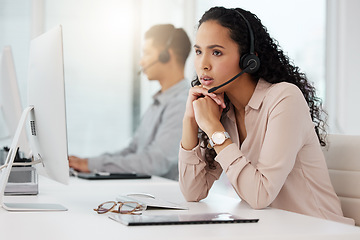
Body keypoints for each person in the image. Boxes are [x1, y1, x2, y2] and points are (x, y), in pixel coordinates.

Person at [179, 6, 354, 225]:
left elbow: (260, 195)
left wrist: (214, 129)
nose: (203, 64)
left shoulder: (284, 99)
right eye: (198, 51)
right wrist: (190, 119)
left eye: (216, 52)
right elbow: (192, 192)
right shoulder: (223, 110)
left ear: (248, 60)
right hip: (269, 229)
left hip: (319, 229)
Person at [69, 24, 191, 180]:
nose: (141, 62)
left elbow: (155, 162)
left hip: (165, 198)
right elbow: (133, 150)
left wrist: (92, 165)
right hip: (147, 192)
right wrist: (89, 163)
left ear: (166, 55)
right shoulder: (159, 101)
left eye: (146, 53)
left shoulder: (182, 104)